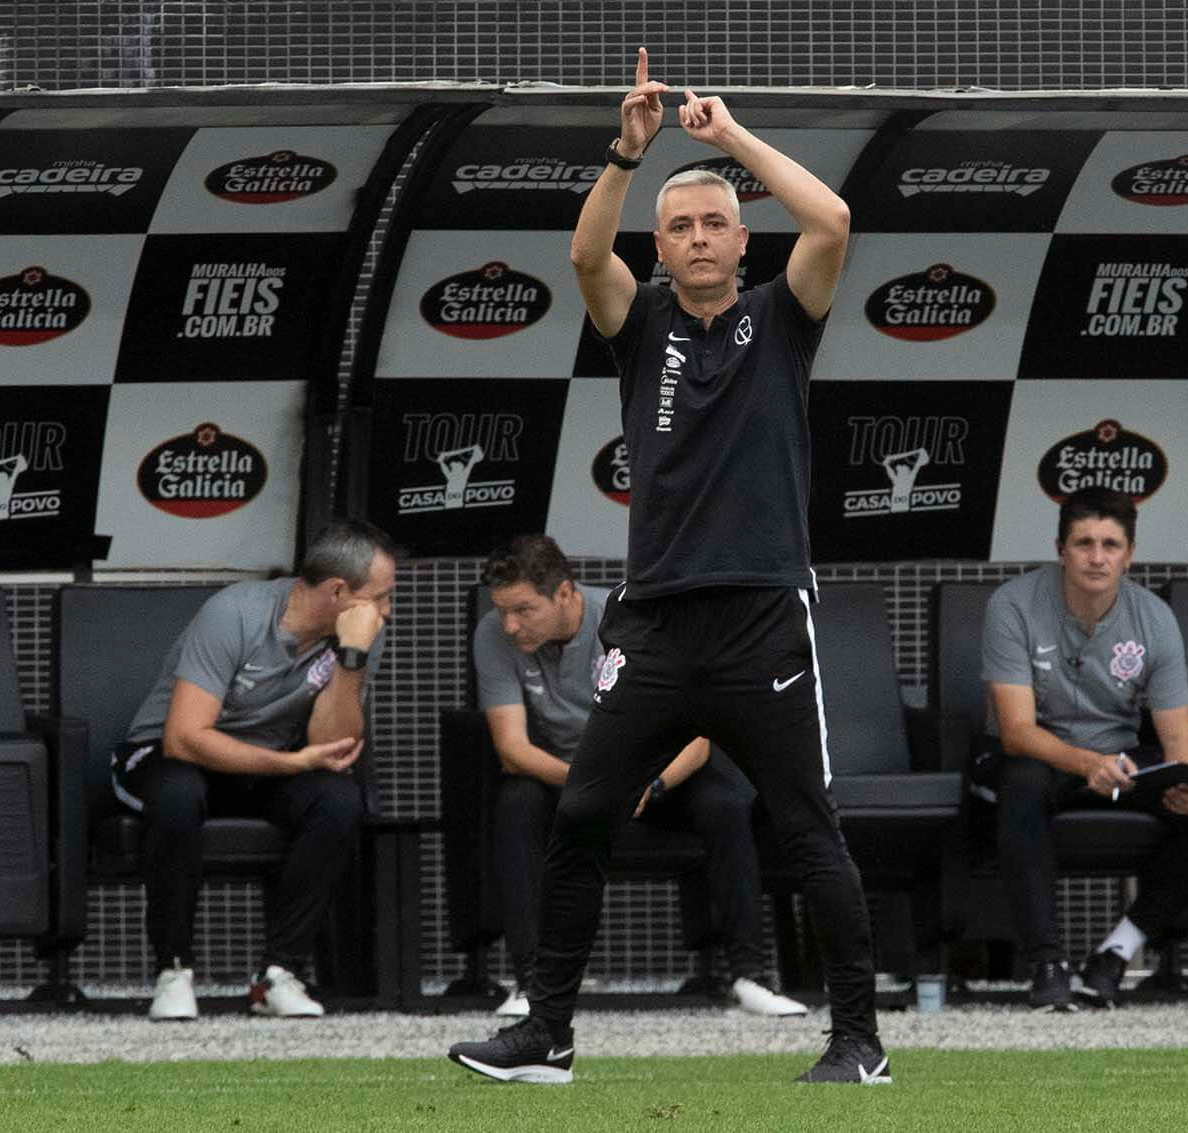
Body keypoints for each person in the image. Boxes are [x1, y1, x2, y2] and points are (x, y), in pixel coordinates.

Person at [450, 47, 888, 1085]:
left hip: (760, 621)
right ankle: (547, 1032)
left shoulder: (783, 316)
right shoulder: (639, 321)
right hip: (651, 622)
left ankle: (857, 1039)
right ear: (663, 243)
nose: (697, 238)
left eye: (713, 224)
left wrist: (725, 140)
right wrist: (627, 153)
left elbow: (831, 221)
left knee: (804, 825)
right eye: (680, 225)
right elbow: (582, 257)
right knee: (585, 812)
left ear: (741, 241)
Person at [472, 534, 806, 1019]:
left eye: (523, 610)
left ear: (565, 592)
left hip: (653, 777)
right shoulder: (493, 634)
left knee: (725, 802)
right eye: (502, 610)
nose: (510, 624)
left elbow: (700, 735)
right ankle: (531, 983)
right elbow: (513, 750)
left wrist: (648, 784)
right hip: (567, 781)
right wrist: (597, 787)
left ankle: (750, 976)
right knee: (515, 801)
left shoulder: (631, 619)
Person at [114, 518, 396, 1020]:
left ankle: (278, 974)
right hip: (167, 753)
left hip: (266, 763)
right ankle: (173, 971)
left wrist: (352, 659)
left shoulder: (359, 636)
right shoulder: (236, 613)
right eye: (380, 597)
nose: (387, 611)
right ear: (338, 592)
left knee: (338, 800)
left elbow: (332, 745)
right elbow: (185, 737)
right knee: (179, 795)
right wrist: (289, 762)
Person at [981, 487, 1188, 1011]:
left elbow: (1179, 737)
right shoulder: (1012, 605)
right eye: (1083, 543)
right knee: (1023, 781)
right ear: (1061, 550)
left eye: (1110, 544)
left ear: (1129, 553)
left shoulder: (1155, 618)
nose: (1097, 557)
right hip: (1040, 755)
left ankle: (1115, 954)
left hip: (1121, 755)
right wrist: (1087, 764)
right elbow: (1015, 729)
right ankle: (1046, 963)